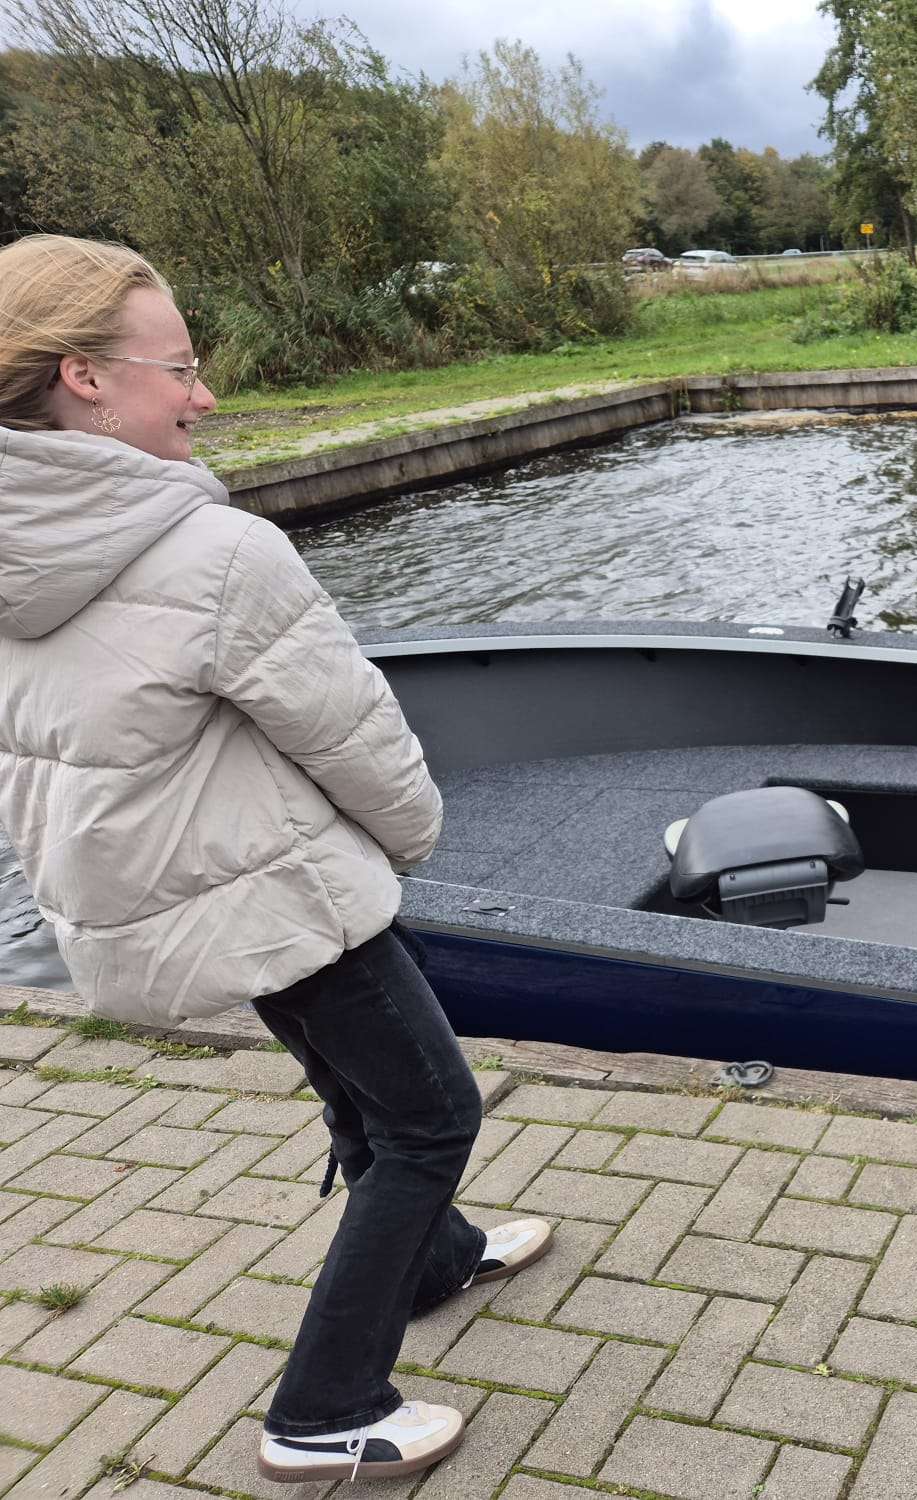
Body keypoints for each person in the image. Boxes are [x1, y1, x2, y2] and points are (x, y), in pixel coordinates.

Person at [0, 235, 551, 1483]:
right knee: (432, 1115)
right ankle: (324, 1409)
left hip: (169, 900)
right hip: (281, 888)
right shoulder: (212, 553)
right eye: (180, 367)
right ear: (86, 378)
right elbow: (353, 734)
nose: (202, 394)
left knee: (360, 1095)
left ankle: (436, 1260)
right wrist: (408, 843)